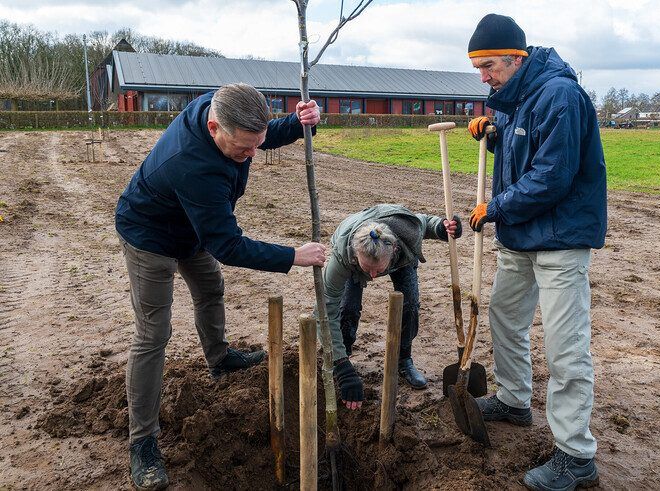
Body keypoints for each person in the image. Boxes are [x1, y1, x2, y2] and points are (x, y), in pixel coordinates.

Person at [115, 83, 326, 490]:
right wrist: (292, 255)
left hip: (191, 226)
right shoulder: (193, 165)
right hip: (148, 233)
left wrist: (298, 125)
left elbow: (259, 137)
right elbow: (227, 245)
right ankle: (142, 442)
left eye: (256, 145)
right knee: (154, 333)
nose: (251, 156)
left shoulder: (229, 108)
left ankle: (219, 358)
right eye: (243, 150)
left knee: (210, 287)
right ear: (214, 129)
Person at [465, 14, 607, 491]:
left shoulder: (560, 96)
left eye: (487, 66)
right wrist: (494, 129)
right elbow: (524, 141)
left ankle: (575, 454)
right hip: (520, 237)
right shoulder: (513, 96)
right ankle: (514, 399)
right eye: (478, 68)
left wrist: (496, 207)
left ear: (515, 58)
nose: (482, 76)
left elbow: (552, 175)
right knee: (505, 316)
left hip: (560, 240)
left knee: (565, 348)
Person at [319, 204, 461, 410]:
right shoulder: (344, 255)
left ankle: (404, 359)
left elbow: (425, 222)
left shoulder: (407, 231)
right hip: (354, 259)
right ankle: (344, 356)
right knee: (348, 308)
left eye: (378, 270)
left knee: (410, 305)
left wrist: (442, 227)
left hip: (402, 261)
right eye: (369, 269)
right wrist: (341, 366)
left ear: (393, 249)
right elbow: (325, 310)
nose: (374, 276)